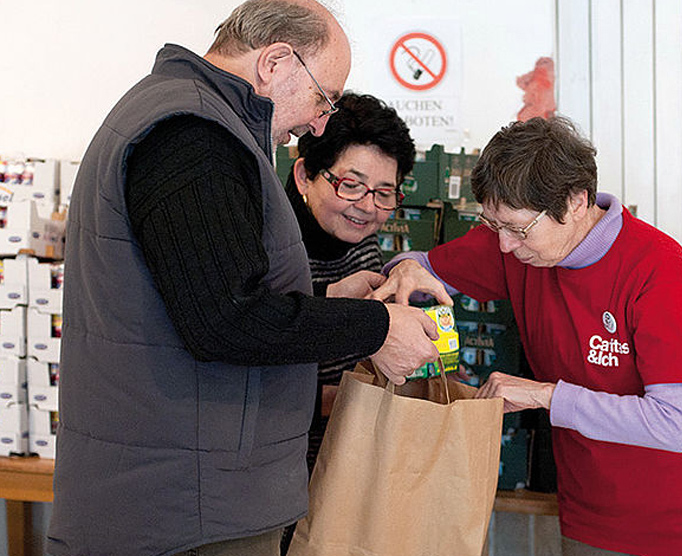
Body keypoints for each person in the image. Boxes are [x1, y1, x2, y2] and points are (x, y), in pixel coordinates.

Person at [46, 2, 441, 555]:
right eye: (323, 99)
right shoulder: (194, 137)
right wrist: (376, 328)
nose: (319, 124)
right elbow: (227, 319)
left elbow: (194, 293)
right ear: (275, 62)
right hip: (186, 510)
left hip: (181, 493)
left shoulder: (186, 118)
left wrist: (329, 295)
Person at [373, 116, 682, 556]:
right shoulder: (516, 246)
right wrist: (405, 270)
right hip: (589, 518)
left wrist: (545, 395)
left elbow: (672, 425)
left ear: (575, 202)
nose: (504, 245)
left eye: (517, 229)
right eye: (493, 225)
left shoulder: (659, 271)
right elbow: (424, 268)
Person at [278, 91, 451, 554]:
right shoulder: (270, 251)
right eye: (350, 185)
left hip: (349, 480)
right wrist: (339, 402)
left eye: (384, 193)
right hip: (273, 489)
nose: (366, 206)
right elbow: (237, 363)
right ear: (304, 175)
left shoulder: (364, 245)